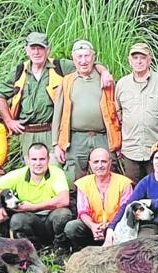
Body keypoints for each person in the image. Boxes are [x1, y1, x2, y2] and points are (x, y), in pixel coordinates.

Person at [0, 32, 113, 157]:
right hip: (27, 133)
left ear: (48, 50)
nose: (36, 52)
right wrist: (9, 121)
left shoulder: (60, 66)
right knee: (31, 170)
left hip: (52, 131)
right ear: (27, 50)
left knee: (54, 168)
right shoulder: (19, 71)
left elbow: (86, 63)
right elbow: (0, 95)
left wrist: (104, 72)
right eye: (33, 48)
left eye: (40, 48)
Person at [0, 142, 73, 257]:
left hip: (51, 218)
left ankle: (60, 248)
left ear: (48, 159)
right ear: (28, 160)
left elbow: (64, 200)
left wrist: (33, 207)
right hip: (30, 221)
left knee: (63, 214)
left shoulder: (57, 173)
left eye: (42, 159)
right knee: (17, 220)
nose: (38, 163)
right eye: (34, 159)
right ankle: (34, 250)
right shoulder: (18, 174)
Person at [52, 40, 120, 183]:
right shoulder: (67, 81)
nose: (83, 61)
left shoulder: (105, 79)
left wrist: (119, 140)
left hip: (103, 137)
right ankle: (76, 205)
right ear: (73, 58)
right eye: (79, 57)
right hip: (76, 139)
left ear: (93, 57)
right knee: (75, 178)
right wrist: (56, 144)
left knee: (108, 174)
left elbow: (117, 109)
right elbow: (58, 113)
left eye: (87, 56)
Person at [103, 141, 158, 245]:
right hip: (151, 225)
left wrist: (153, 203)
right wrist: (111, 227)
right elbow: (128, 205)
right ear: (152, 161)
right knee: (142, 245)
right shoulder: (145, 182)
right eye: (156, 158)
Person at [116, 42, 158, 184]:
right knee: (133, 190)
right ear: (130, 61)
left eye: (142, 57)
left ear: (150, 59)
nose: (139, 61)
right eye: (135, 58)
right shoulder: (122, 85)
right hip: (131, 149)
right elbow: (118, 114)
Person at [64, 148, 133, 249]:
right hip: (92, 229)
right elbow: (83, 212)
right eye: (96, 162)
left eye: (104, 161)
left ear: (110, 163)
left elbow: (126, 211)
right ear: (90, 164)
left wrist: (110, 226)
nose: (100, 165)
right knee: (72, 227)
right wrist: (93, 226)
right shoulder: (83, 183)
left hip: (116, 228)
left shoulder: (124, 183)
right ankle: (85, 251)